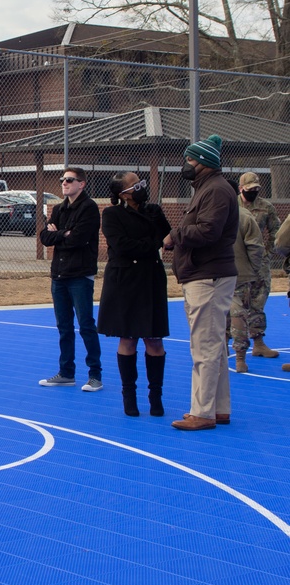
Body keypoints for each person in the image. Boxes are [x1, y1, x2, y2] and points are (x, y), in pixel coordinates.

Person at [163, 134, 239, 431]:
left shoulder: (216, 191)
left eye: (191, 160)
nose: (187, 164)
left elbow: (208, 231)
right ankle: (218, 408)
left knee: (204, 346)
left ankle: (202, 412)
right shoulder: (208, 188)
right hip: (207, 273)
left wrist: (175, 236)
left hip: (208, 276)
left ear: (205, 162)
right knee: (215, 346)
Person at [97, 173, 171, 417]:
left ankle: (155, 396)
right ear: (123, 194)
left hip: (151, 279)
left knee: (154, 339)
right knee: (127, 338)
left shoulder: (154, 211)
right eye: (135, 185)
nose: (142, 187)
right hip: (124, 282)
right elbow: (123, 246)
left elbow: (167, 239)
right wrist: (153, 244)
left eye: (141, 183)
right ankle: (129, 395)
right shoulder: (111, 214)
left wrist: (154, 243)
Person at [38, 167, 103, 391]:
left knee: (86, 325)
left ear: (81, 184)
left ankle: (95, 375)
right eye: (62, 180)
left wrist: (62, 234)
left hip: (80, 276)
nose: (64, 183)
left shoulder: (89, 208)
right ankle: (66, 373)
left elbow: (78, 239)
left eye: (69, 180)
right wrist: (62, 233)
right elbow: (45, 237)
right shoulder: (58, 208)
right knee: (64, 326)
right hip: (59, 275)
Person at [236, 171, 281, 358]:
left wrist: (267, 253)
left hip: (258, 261)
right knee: (234, 304)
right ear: (241, 189)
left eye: (256, 189)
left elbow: (276, 232)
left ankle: (258, 342)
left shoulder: (265, 207)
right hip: (237, 261)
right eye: (249, 189)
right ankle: (229, 343)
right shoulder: (231, 205)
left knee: (258, 300)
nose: (253, 192)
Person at [227, 179, 266, 373]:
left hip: (215, 274)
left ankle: (222, 350)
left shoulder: (207, 213)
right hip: (240, 274)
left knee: (219, 314)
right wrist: (254, 269)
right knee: (239, 314)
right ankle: (240, 358)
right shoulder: (244, 216)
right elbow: (256, 247)